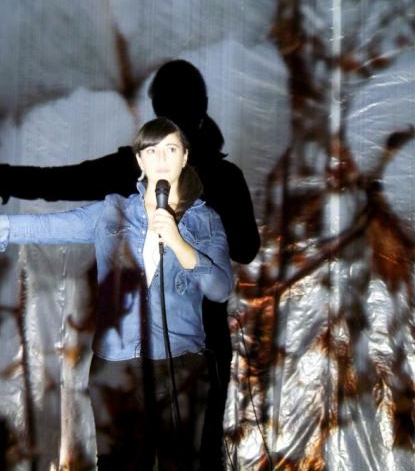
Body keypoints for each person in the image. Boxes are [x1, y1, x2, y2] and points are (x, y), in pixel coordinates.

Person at [0, 59, 260, 469]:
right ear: (204, 104)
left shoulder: (206, 178)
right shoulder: (215, 175)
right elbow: (247, 248)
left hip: (184, 350)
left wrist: (195, 227)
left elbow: (62, 182)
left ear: (156, 107)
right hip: (162, 350)